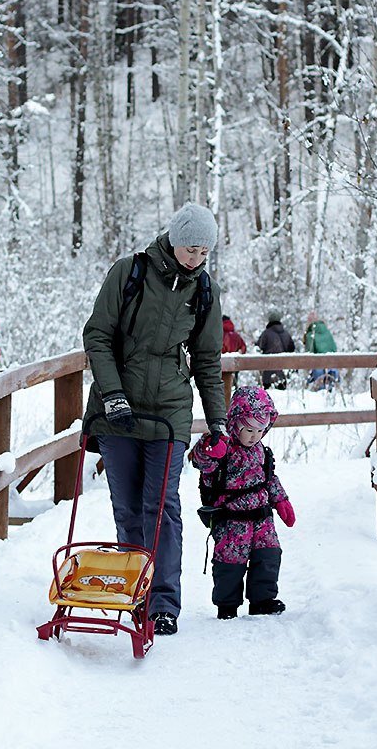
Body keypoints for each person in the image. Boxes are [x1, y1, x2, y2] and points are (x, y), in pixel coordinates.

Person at [82, 202, 227, 637]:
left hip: (169, 414)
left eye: (204, 253)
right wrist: (113, 396)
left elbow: (207, 359)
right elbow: (97, 335)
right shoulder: (129, 273)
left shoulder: (204, 291)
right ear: (174, 239)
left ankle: (163, 603)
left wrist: (217, 422)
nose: (196, 260)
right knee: (128, 510)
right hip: (117, 410)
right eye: (191, 250)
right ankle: (135, 594)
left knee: (162, 506)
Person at [189, 386, 294, 619]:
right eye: (249, 429)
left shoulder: (261, 451)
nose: (255, 435)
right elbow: (201, 462)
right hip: (231, 519)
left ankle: (263, 600)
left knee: (268, 555)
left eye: (260, 429)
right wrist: (208, 449)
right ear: (235, 423)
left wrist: (281, 500)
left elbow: (269, 478)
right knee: (230, 562)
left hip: (262, 517)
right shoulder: (223, 450)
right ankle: (227, 605)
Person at [255, 310, 295, 389]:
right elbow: (292, 348)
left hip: (268, 371)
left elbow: (259, 347)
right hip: (283, 370)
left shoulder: (266, 333)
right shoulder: (286, 334)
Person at [303, 311, 339, 391]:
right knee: (332, 390)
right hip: (332, 365)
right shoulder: (327, 332)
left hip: (318, 368)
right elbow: (334, 348)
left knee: (319, 391)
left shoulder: (310, 335)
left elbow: (309, 353)